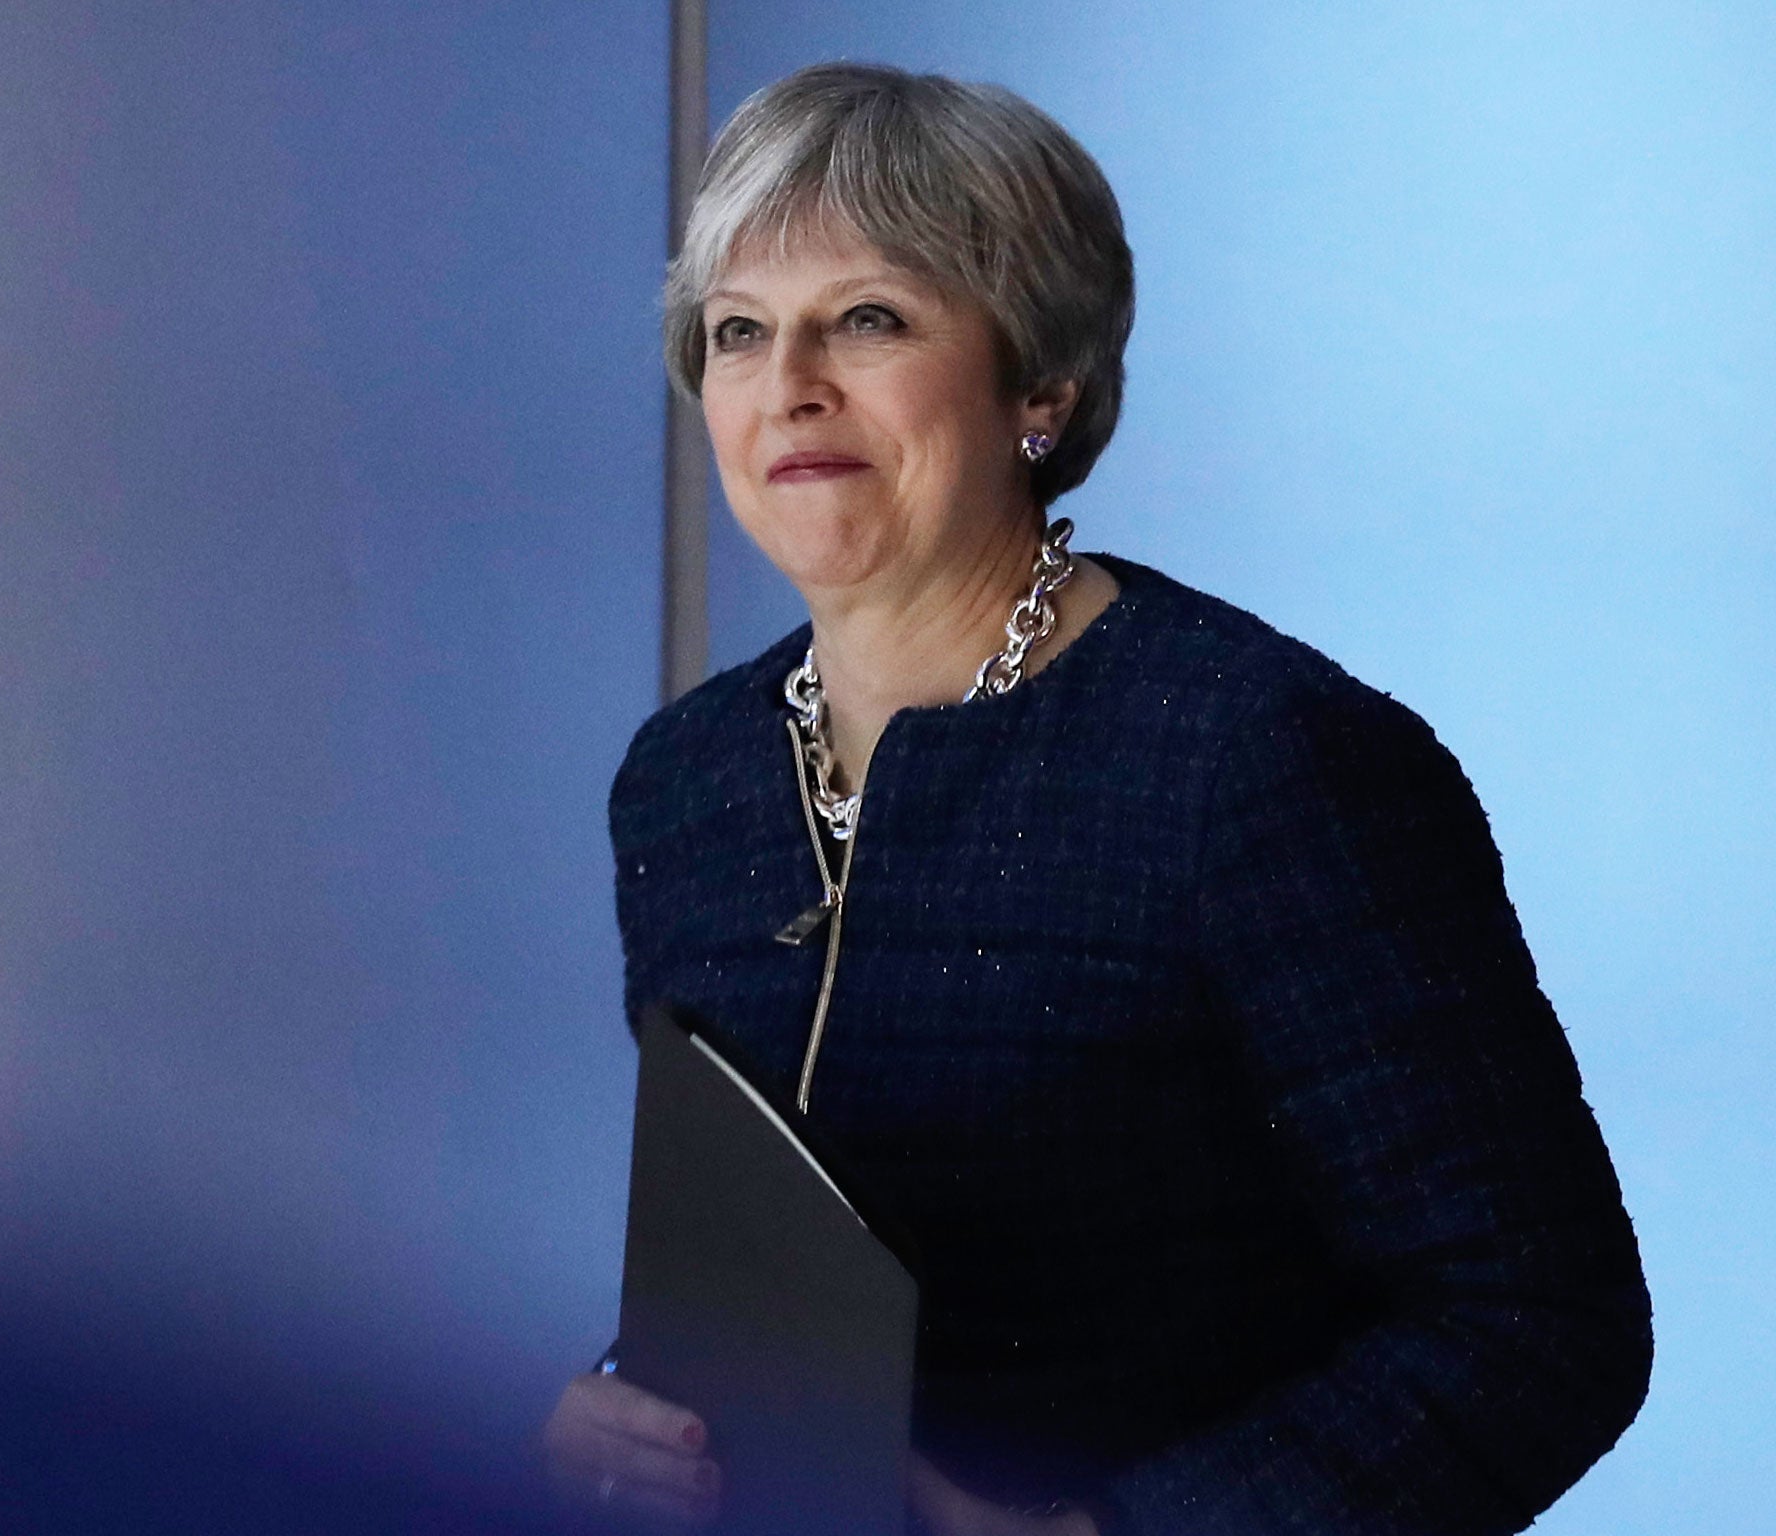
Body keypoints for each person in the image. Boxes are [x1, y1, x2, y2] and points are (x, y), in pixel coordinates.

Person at [543, 61, 1651, 1536]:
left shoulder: (1257, 756)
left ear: (1041, 386)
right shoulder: (682, 784)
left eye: (867, 319)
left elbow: (1537, 1320)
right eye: (738, 333)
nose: (790, 383)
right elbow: (758, 1260)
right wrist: (627, 1409)